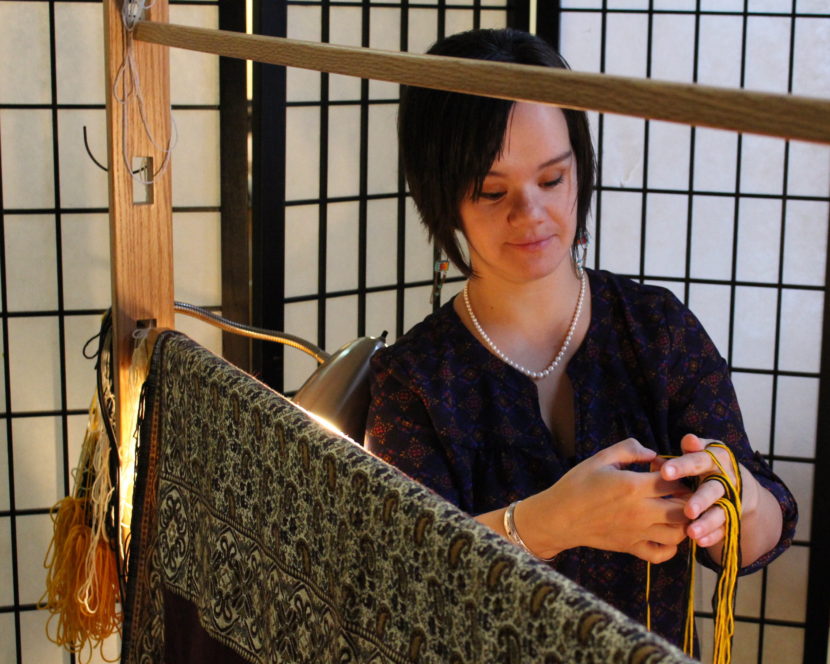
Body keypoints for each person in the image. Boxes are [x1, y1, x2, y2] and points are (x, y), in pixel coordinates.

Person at [364, 27, 797, 650]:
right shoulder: (416, 381)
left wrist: (737, 503)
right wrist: (548, 523)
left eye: (552, 179)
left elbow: (761, 535)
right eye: (492, 191)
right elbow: (401, 583)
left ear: (580, 171)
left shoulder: (656, 331)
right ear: (442, 197)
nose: (530, 213)